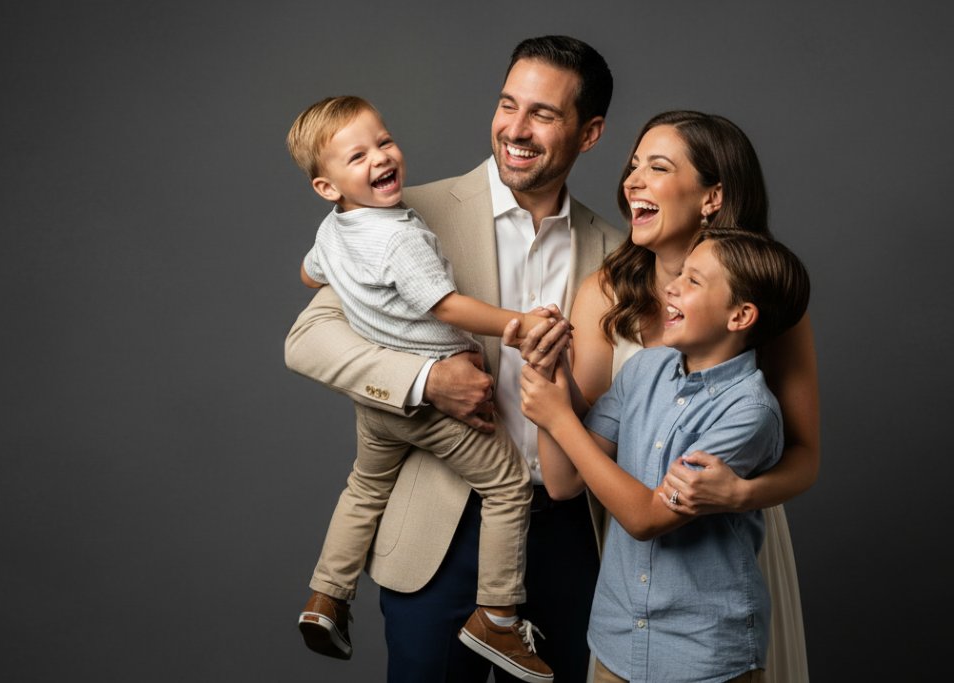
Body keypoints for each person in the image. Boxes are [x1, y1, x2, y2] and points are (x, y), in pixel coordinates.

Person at [284, 35, 622, 682]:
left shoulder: (616, 252)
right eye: (507, 105)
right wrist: (427, 378)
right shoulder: (406, 212)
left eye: (543, 115)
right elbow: (309, 339)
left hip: (569, 536)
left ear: (590, 131)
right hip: (439, 528)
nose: (515, 130)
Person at [510, 111, 819, 681]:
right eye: (633, 166)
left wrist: (737, 493)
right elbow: (569, 472)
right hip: (632, 574)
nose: (631, 181)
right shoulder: (606, 293)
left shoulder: (766, 298)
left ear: (712, 197)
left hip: (722, 552)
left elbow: (804, 457)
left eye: (657, 167)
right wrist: (549, 381)